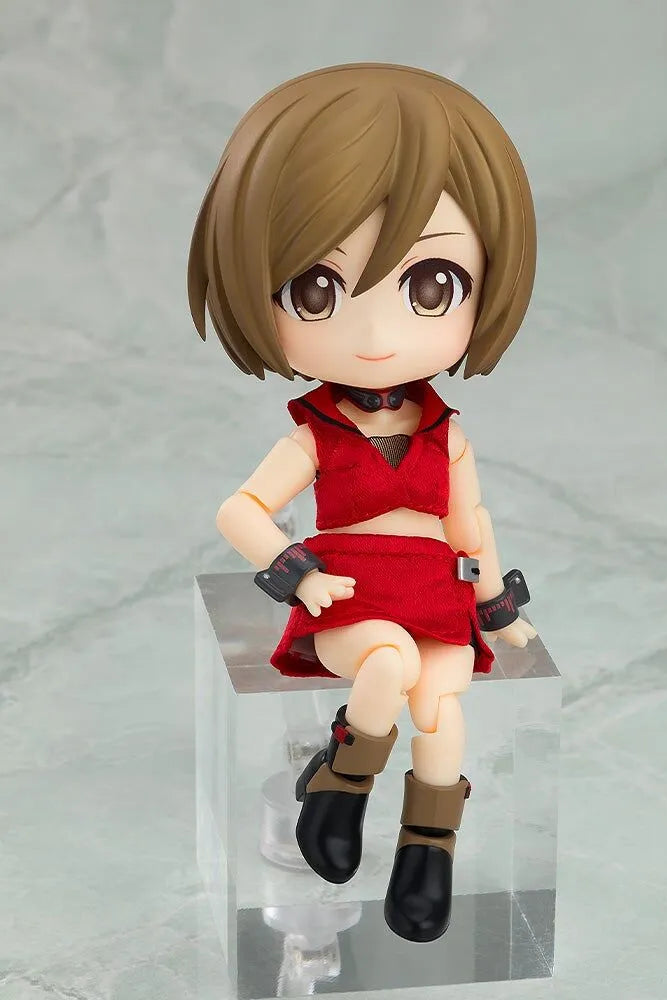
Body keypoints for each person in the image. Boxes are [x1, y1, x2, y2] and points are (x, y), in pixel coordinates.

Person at [188, 62, 537, 943]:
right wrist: (299, 575)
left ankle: (427, 852)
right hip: (353, 594)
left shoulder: (447, 434)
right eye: (317, 290)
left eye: (431, 286)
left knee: (442, 710)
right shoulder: (316, 433)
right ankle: (341, 789)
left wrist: (498, 612)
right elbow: (240, 510)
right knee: (385, 660)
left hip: (437, 593)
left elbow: (471, 526)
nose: (377, 335)